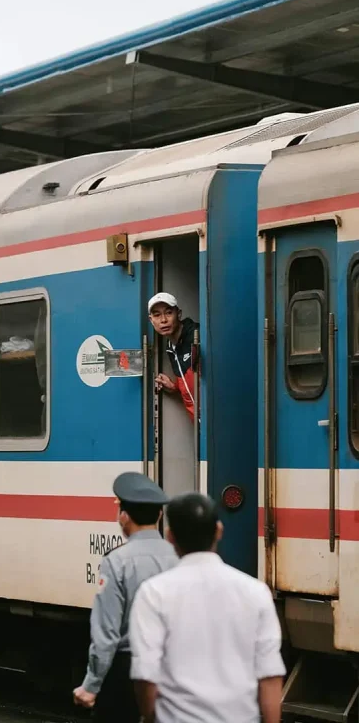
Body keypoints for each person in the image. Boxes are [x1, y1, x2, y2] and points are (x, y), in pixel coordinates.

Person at [129, 492, 285, 723]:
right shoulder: (256, 592)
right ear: (219, 530)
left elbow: (145, 675)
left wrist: (152, 716)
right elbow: (270, 675)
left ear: (170, 537)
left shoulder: (153, 593)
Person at [73, 472, 178, 722]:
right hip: (172, 669)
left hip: (126, 674)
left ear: (123, 516)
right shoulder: (179, 558)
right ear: (160, 515)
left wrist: (91, 685)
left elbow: (106, 634)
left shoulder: (116, 562)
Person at [148, 292, 199, 422]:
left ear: (179, 314)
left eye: (169, 312)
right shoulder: (171, 346)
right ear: (151, 320)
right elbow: (191, 379)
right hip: (199, 423)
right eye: (157, 315)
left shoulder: (197, 336)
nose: (163, 320)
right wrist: (174, 387)